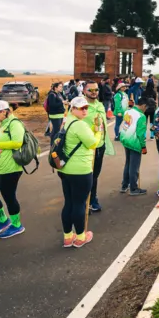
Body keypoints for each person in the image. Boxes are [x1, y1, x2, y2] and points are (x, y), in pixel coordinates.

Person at [53, 96, 99, 248]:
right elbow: (93, 143)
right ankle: (80, 236)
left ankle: (67, 236)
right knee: (79, 203)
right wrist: (98, 132)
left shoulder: (66, 122)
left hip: (65, 168)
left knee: (69, 203)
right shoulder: (80, 125)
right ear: (72, 109)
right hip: (80, 170)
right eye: (81, 108)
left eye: (86, 107)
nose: (85, 110)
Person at [0, 100, 26, 239]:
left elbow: (17, 142)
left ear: (4, 111)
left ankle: (17, 225)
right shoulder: (3, 124)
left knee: (9, 197)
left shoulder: (15, 124)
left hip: (12, 167)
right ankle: (3, 221)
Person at [82, 82, 112, 213]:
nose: (94, 92)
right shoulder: (80, 106)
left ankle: (92, 199)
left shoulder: (100, 105)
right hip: (86, 147)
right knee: (85, 176)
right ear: (84, 91)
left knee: (94, 176)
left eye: (96, 89)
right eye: (90, 90)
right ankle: (84, 202)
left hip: (100, 146)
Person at [120, 96, 153, 195]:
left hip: (126, 139)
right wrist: (143, 147)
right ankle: (134, 188)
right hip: (135, 142)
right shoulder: (141, 116)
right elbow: (140, 133)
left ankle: (124, 185)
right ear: (143, 105)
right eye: (146, 108)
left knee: (128, 163)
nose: (146, 110)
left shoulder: (128, 111)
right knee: (134, 166)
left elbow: (125, 125)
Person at [46, 82, 67, 149]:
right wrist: (62, 102)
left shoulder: (58, 94)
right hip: (55, 115)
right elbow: (52, 105)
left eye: (62, 86)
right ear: (55, 88)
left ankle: (53, 145)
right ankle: (53, 145)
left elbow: (62, 100)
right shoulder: (52, 95)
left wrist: (64, 102)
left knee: (56, 130)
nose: (61, 88)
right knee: (56, 131)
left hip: (59, 115)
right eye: (60, 86)